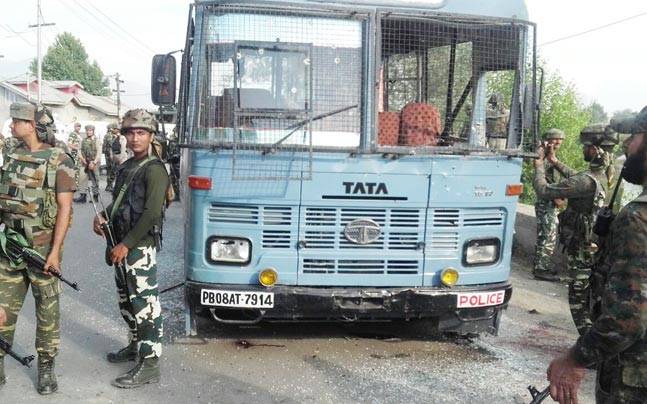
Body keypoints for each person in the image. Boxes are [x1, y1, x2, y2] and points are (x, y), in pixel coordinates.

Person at [546, 107, 647, 404]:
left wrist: (575, 359)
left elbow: (627, 317)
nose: (627, 145)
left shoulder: (638, 218)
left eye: (634, 136)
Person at [0, 102, 76, 394]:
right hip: (9, 249)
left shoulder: (60, 159)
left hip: (42, 252)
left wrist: (55, 252)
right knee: (3, 310)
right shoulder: (11, 154)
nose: (11, 125)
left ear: (32, 125)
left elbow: (64, 209)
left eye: (16, 121)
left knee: (47, 310)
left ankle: (46, 367)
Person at [93, 109, 168, 388]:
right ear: (123, 136)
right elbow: (121, 203)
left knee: (145, 305)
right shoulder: (126, 167)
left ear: (150, 136)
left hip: (138, 246)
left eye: (141, 133)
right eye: (130, 132)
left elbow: (150, 214)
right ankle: (136, 345)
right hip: (121, 244)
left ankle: (150, 363)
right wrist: (103, 216)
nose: (135, 138)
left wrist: (126, 244)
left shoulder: (155, 170)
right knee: (127, 301)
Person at [534, 124, 617, 336]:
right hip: (595, 246)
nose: (583, 150)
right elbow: (578, 177)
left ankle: (589, 348)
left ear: (595, 150)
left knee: (578, 300)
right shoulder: (605, 175)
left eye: (586, 147)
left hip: (582, 248)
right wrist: (554, 161)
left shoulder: (586, 181)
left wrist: (539, 166)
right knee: (592, 295)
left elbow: (544, 190)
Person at [533, 128, 567, 281]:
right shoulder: (544, 158)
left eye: (560, 140)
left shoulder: (549, 157)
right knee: (548, 236)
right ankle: (541, 268)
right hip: (546, 203)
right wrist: (556, 199)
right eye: (555, 140)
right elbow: (546, 183)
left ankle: (542, 264)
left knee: (545, 235)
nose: (558, 143)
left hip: (548, 203)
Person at [75, 124, 100, 203]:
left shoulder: (97, 140)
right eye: (87, 131)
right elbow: (79, 150)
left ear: (93, 131)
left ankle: (95, 196)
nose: (89, 132)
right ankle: (83, 196)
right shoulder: (83, 140)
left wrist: (94, 162)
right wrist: (82, 159)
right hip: (85, 162)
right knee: (82, 178)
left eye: (90, 130)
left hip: (94, 162)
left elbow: (99, 152)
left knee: (95, 179)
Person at [103, 123, 119, 192]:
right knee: (111, 170)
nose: (117, 130)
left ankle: (109, 185)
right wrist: (116, 137)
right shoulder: (109, 135)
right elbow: (111, 144)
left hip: (110, 155)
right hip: (109, 155)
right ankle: (109, 186)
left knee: (112, 170)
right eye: (115, 129)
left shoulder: (110, 135)